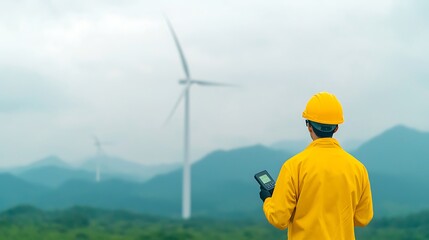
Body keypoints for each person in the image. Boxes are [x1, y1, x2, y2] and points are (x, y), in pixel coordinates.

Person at [259, 92, 373, 240]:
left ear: (308, 125)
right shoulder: (358, 168)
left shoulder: (293, 167)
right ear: (336, 128)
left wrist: (268, 200)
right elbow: (362, 218)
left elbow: (279, 219)